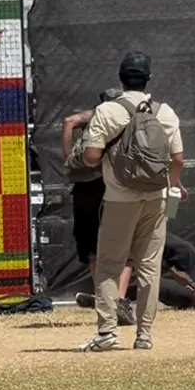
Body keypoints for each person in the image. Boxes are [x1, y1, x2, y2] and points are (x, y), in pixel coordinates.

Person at [74, 52, 185, 352]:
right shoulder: (165, 112)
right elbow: (178, 159)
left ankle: (108, 332)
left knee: (111, 263)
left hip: (120, 198)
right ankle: (144, 334)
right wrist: (173, 185)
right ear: (148, 79)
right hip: (157, 198)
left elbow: (91, 156)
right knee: (149, 267)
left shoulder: (108, 111)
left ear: (121, 78)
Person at [61, 88, 135, 327]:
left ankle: (106, 301)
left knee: (91, 247)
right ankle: (120, 300)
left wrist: (69, 157)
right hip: (118, 187)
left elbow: (69, 121)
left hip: (86, 189)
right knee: (125, 243)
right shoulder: (129, 119)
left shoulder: (93, 118)